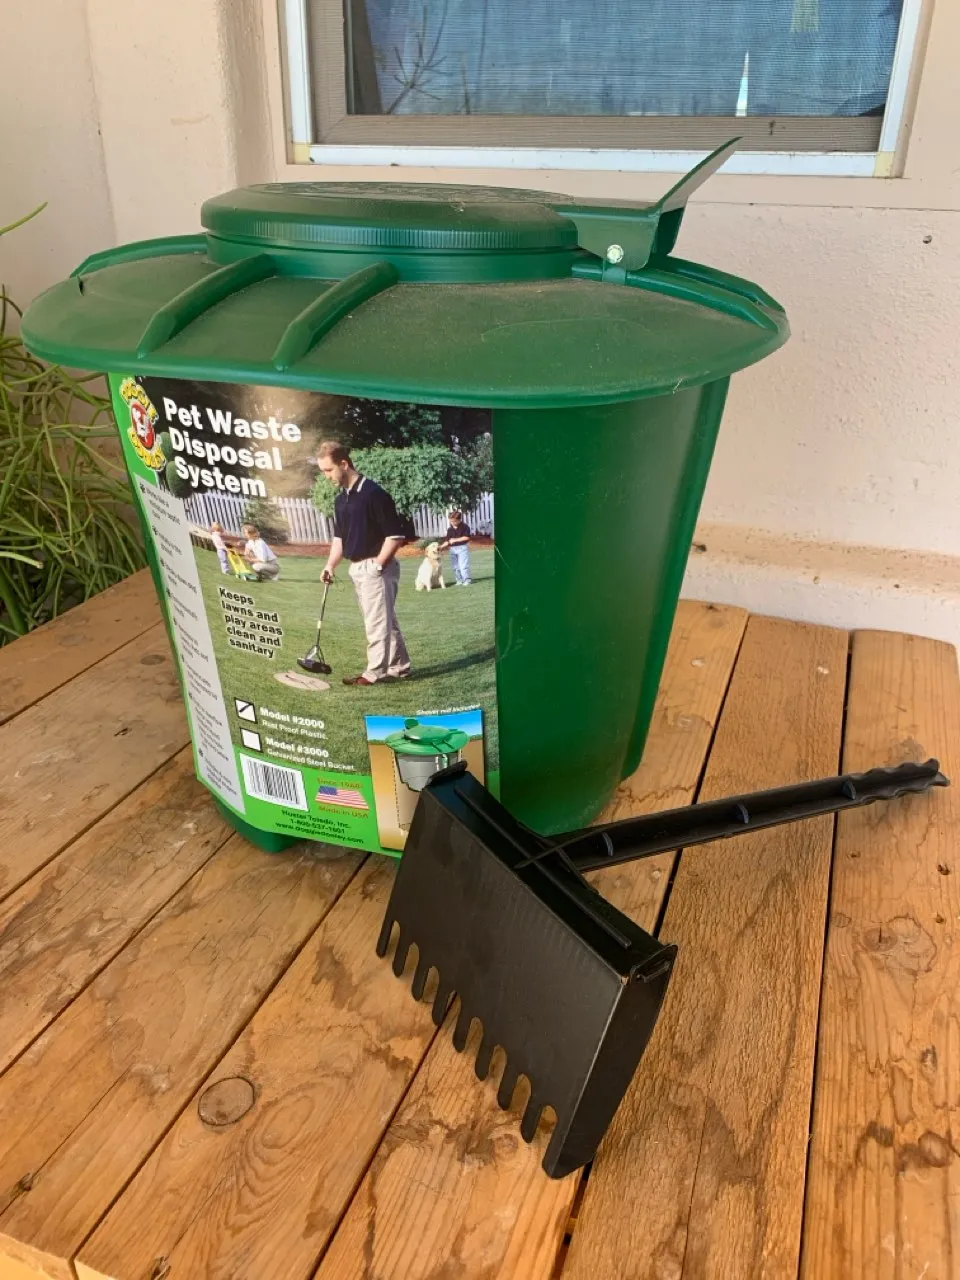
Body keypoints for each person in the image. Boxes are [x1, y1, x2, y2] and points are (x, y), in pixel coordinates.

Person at [317, 440, 411, 687]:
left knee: (376, 623)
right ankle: (400, 667)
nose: (326, 476)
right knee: (385, 620)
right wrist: (330, 566)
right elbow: (339, 539)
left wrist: (378, 566)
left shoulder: (374, 494)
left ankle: (373, 673)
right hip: (357, 568)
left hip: (376, 567)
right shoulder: (342, 500)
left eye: (328, 470)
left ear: (344, 464)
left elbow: (395, 536)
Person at [441, 510, 472, 586]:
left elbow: (466, 537)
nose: (452, 523)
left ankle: (467, 580)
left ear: (459, 520)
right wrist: (441, 547)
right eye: (451, 521)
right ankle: (459, 580)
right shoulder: (450, 529)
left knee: (463, 566)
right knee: (455, 567)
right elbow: (447, 541)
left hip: (462, 548)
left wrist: (455, 540)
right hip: (453, 549)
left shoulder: (465, 527)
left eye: (454, 521)